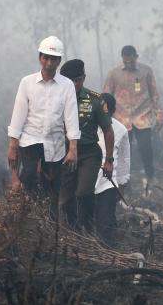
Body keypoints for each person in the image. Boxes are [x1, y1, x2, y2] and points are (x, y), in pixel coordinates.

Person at [7, 36, 80, 217]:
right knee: (30, 174)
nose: (48, 63)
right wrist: (12, 145)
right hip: (30, 139)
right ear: (40, 58)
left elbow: (71, 118)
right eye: (45, 58)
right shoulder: (27, 83)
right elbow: (19, 114)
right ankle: (24, 210)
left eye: (53, 59)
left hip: (55, 143)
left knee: (52, 185)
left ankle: (48, 220)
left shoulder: (67, 85)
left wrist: (73, 148)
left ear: (59, 61)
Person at [59, 59, 114, 232]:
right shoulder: (55, 99)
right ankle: (73, 231)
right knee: (65, 200)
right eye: (71, 80)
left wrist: (109, 160)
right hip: (64, 154)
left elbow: (108, 131)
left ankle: (89, 226)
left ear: (84, 78)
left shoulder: (95, 100)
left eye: (78, 80)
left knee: (83, 192)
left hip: (89, 153)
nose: (75, 84)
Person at [103, 45, 163, 192]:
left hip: (142, 116)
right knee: (123, 151)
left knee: (145, 148)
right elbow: (106, 95)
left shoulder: (146, 71)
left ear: (136, 57)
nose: (129, 63)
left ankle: (150, 176)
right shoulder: (114, 74)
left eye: (131, 60)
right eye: (126, 61)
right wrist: (104, 117)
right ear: (122, 58)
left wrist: (159, 114)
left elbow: (154, 94)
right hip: (121, 118)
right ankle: (124, 182)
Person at [94, 93, 130, 246]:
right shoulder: (86, 126)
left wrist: (122, 185)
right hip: (86, 179)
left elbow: (124, 159)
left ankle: (108, 249)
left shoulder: (120, 130)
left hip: (108, 181)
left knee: (106, 219)